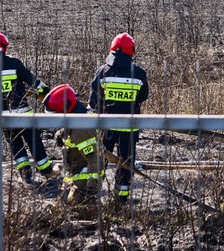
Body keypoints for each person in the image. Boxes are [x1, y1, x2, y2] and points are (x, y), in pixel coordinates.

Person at [0, 31, 59, 185]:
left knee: (15, 145)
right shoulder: (14, 64)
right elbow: (32, 80)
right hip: (23, 114)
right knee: (34, 141)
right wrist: (45, 91)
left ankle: (26, 174)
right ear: (4, 47)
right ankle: (47, 171)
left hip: (3, 117)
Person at [89, 32, 149, 204]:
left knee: (100, 160)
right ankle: (121, 199)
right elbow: (143, 96)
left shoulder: (102, 71)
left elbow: (94, 101)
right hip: (129, 128)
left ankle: (92, 193)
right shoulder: (139, 74)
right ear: (132, 51)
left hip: (106, 127)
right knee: (126, 163)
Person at [43, 84, 102, 204]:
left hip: (83, 183)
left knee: (73, 206)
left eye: (56, 114)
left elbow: (94, 158)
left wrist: (92, 186)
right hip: (74, 178)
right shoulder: (73, 120)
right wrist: (60, 134)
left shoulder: (81, 129)